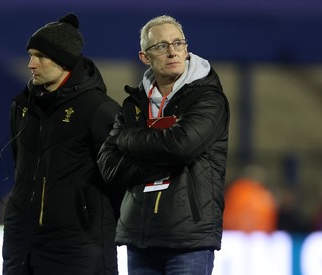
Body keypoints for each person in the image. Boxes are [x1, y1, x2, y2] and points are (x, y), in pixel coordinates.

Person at [97, 15, 230, 275]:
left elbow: (181, 146)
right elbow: (108, 166)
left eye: (178, 43)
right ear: (144, 57)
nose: (172, 51)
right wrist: (164, 155)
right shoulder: (135, 103)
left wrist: (127, 139)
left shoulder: (207, 98)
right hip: (140, 235)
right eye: (161, 46)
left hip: (188, 237)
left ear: (186, 48)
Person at [2, 13, 121, 275]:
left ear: (65, 61)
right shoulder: (22, 107)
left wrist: (89, 219)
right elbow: (20, 165)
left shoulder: (99, 109)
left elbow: (119, 179)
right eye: (31, 54)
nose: (31, 64)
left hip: (78, 246)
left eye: (41, 56)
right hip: (22, 244)